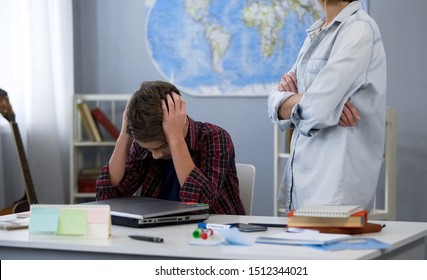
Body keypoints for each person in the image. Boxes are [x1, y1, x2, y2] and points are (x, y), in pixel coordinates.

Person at [267, 0, 386, 212]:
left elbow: (318, 109)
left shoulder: (359, 28)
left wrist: (311, 102)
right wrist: (322, 102)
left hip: (334, 190)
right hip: (302, 185)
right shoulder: (316, 33)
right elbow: (274, 104)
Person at [96, 81, 245, 215]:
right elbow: (107, 199)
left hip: (214, 235)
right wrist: (124, 137)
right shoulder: (146, 145)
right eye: (149, 149)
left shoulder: (215, 138)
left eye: (161, 147)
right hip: (163, 236)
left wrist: (175, 139)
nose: (155, 155)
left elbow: (200, 205)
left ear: (182, 121)